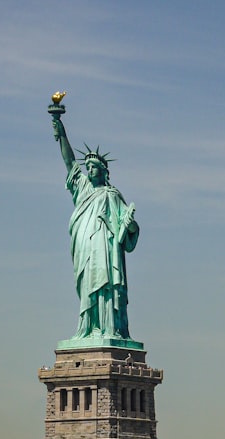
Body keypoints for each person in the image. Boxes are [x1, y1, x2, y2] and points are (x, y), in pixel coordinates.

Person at [52, 114, 139, 340]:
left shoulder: (112, 195)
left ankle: (110, 329)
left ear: (103, 171)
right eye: (87, 167)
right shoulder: (82, 189)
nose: (89, 171)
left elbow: (128, 230)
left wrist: (129, 226)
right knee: (88, 285)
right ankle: (88, 329)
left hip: (107, 250)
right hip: (86, 248)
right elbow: (69, 162)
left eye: (93, 167)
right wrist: (60, 132)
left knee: (107, 286)